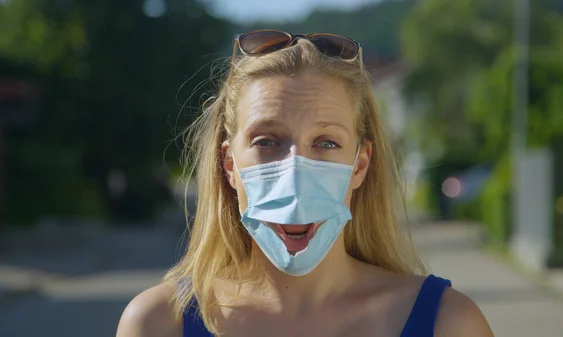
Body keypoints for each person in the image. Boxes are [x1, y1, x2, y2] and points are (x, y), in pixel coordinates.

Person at [116, 30, 494, 337]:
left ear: (360, 164)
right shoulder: (158, 324)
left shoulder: (449, 324)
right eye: (267, 141)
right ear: (229, 163)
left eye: (326, 143)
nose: (295, 170)